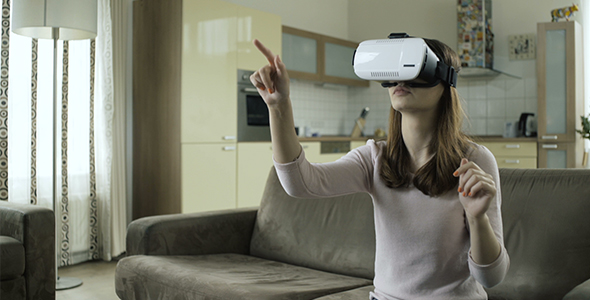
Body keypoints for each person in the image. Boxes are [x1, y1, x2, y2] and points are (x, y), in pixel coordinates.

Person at [250, 37, 509, 300]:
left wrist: (478, 219)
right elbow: (300, 184)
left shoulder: (475, 160)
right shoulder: (374, 158)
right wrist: (278, 105)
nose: (400, 79)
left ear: (444, 80)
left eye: (413, 67)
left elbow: (492, 278)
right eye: (395, 71)